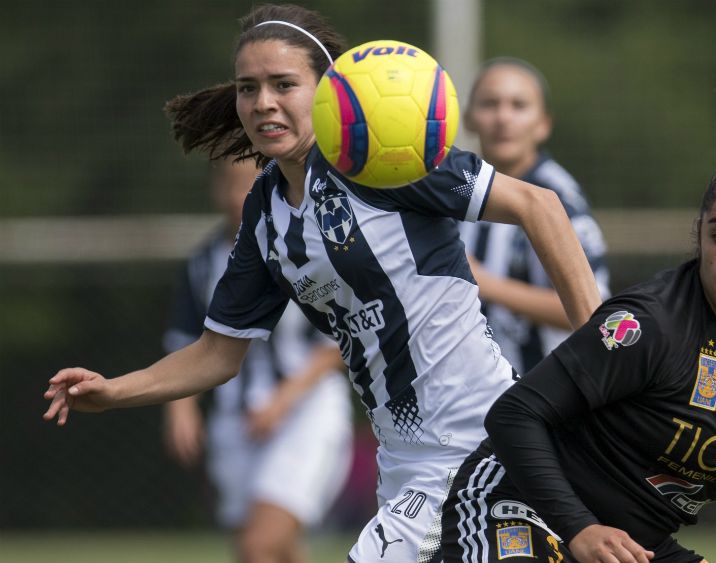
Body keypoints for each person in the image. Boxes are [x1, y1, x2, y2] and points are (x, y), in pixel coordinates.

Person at [42, 4, 603, 563]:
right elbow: (217, 354)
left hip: (479, 439)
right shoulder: (264, 212)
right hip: (405, 460)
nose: (263, 102)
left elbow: (539, 205)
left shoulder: (380, 153)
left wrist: (604, 359)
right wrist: (115, 391)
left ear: (327, 88)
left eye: (283, 84)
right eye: (248, 88)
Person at [441, 51, 716, 563]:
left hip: (635, 547)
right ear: (699, 234)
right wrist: (580, 529)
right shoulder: (649, 324)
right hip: (520, 511)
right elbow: (514, 413)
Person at [162, 156, 354, 563]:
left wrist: (285, 399)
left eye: (247, 184)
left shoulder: (310, 244)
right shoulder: (202, 262)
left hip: (306, 411)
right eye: (228, 185)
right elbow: (186, 341)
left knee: (259, 545)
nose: (237, 196)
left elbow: (342, 339)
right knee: (271, 550)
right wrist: (181, 408)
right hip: (236, 422)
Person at [460, 57, 610, 374]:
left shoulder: (560, 198)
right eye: (490, 104)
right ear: (468, 118)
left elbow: (597, 310)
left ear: (543, 124)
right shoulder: (455, 189)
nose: (503, 117)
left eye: (518, 105)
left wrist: (487, 284)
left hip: (549, 395)